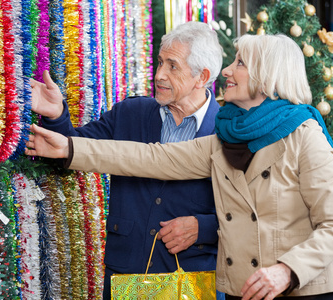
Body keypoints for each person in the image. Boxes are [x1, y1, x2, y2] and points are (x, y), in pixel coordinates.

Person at [26, 33, 333, 300]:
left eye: (239, 63)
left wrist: (286, 270)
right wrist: (69, 145)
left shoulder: (305, 136)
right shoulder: (227, 135)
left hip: (293, 289)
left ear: (265, 76)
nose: (227, 70)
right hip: (238, 288)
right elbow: (151, 158)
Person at [30, 21, 225, 299]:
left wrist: (202, 228)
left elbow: (249, 216)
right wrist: (56, 115)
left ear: (202, 77)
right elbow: (71, 151)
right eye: (159, 62)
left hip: (192, 278)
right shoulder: (130, 113)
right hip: (127, 274)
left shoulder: (227, 131)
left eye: (172, 66)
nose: (159, 75)